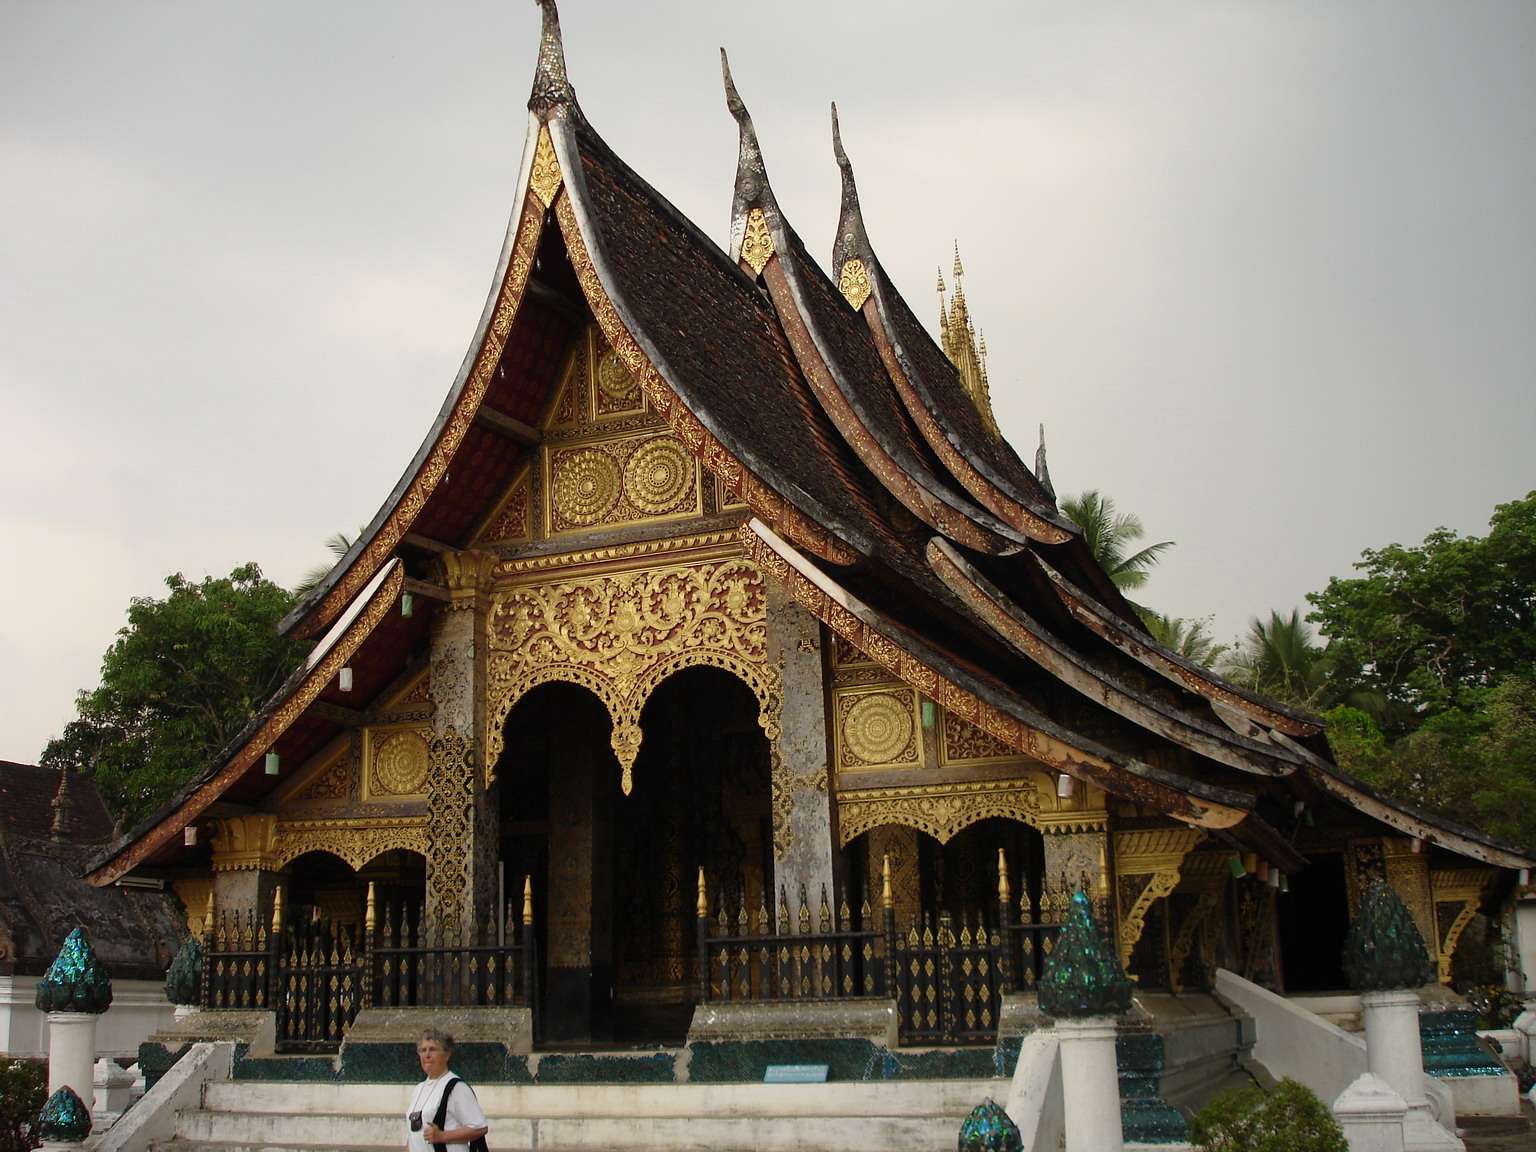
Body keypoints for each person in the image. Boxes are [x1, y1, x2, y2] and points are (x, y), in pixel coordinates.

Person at [404, 1027, 489, 1152]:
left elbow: (479, 1127)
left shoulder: (456, 1087)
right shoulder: (418, 1089)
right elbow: (412, 1138)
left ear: (447, 1055)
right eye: (422, 1050)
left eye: (433, 1050)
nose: (427, 1055)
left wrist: (442, 1136)